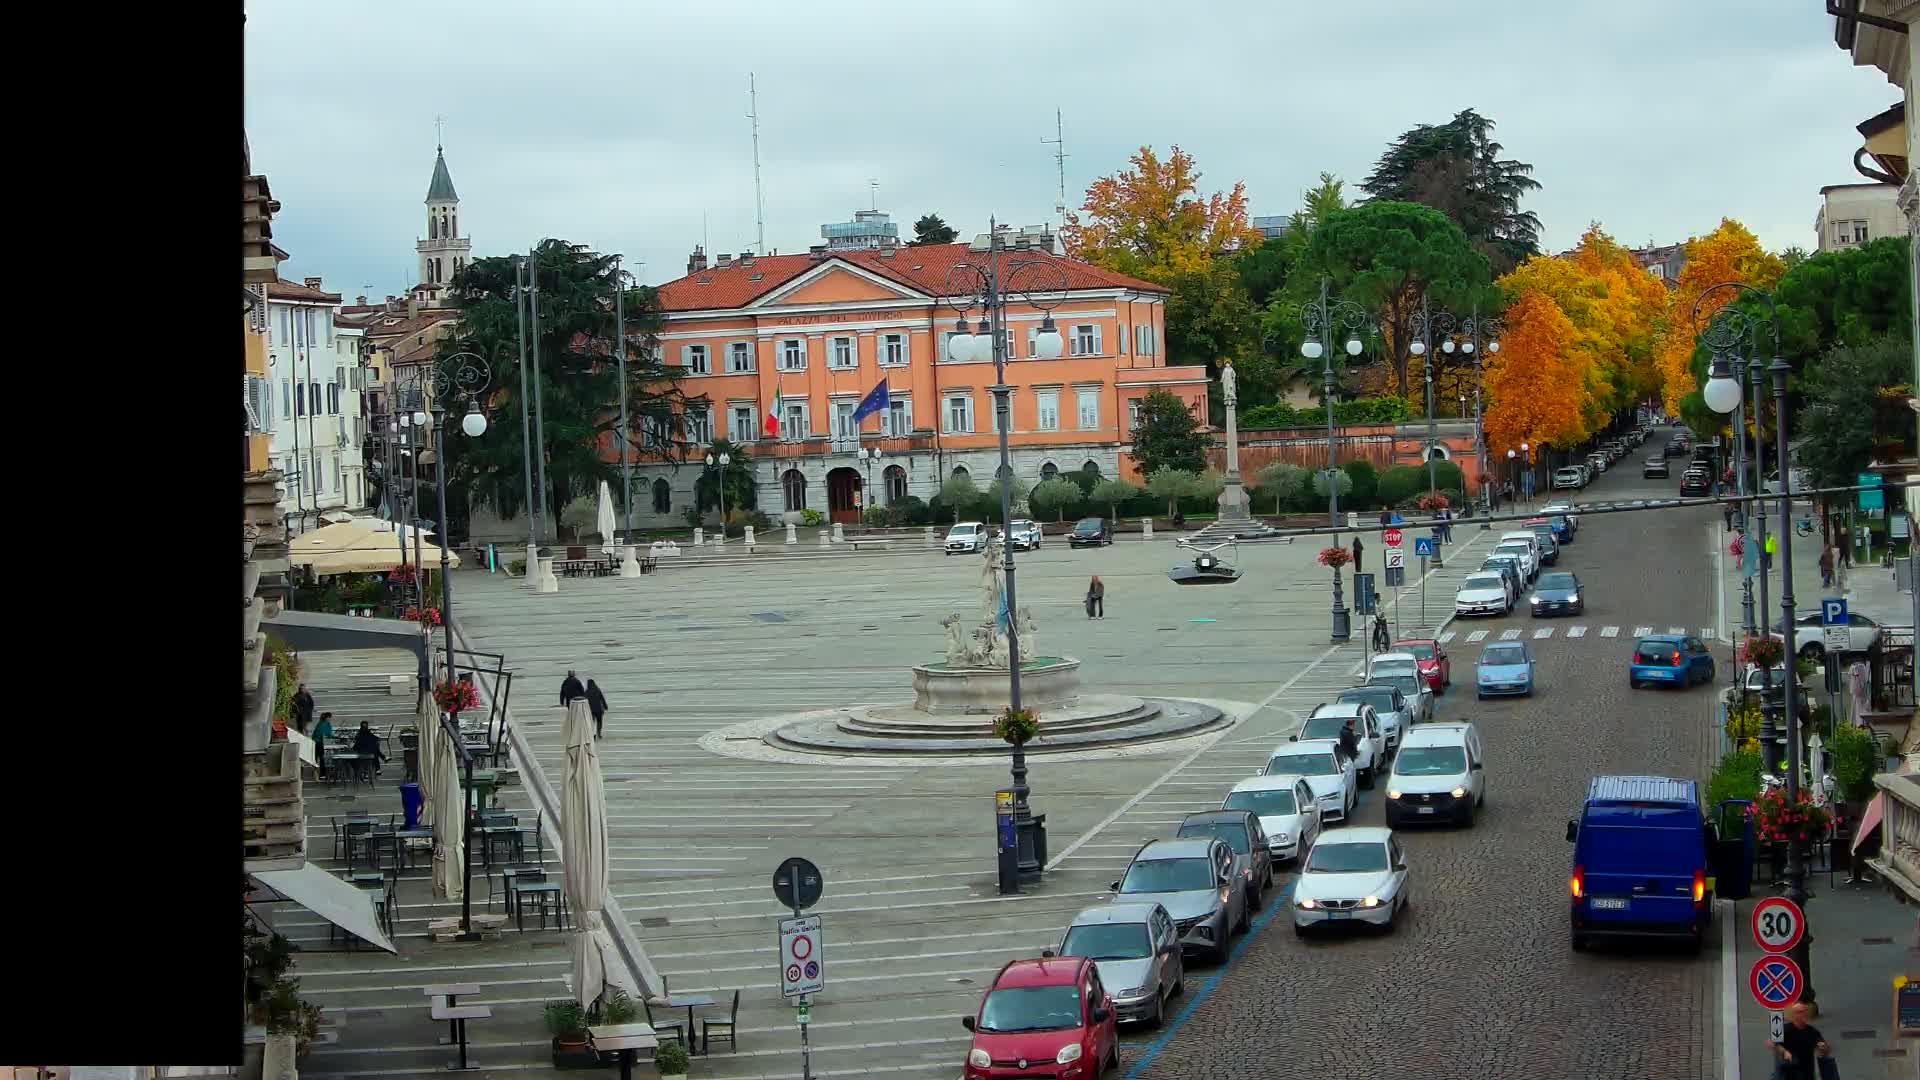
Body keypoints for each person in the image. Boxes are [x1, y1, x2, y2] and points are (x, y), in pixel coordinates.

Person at [1765, 1002, 1830, 1079]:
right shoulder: (1785, 1029)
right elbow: (1773, 1043)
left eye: (1806, 1011)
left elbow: (1820, 1043)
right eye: (1801, 1012)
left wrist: (1823, 1046)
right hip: (1788, 1073)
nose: (1804, 1014)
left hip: (1806, 1073)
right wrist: (1784, 1051)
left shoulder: (1812, 1031)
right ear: (1794, 1015)